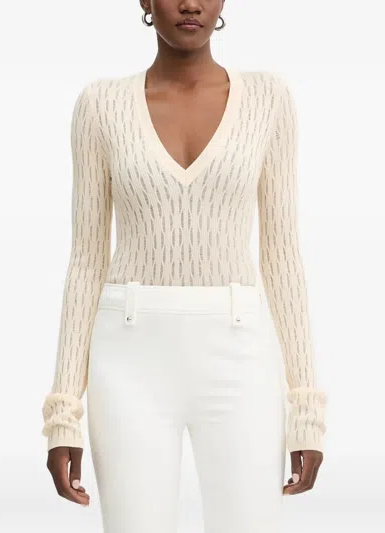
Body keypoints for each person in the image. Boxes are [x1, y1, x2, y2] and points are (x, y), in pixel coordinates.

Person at [41, 0, 328, 530]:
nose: (191, 3)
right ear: (145, 2)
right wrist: (63, 413)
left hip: (241, 354)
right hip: (128, 359)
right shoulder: (100, 105)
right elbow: (85, 260)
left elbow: (283, 254)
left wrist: (306, 409)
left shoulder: (268, 98)